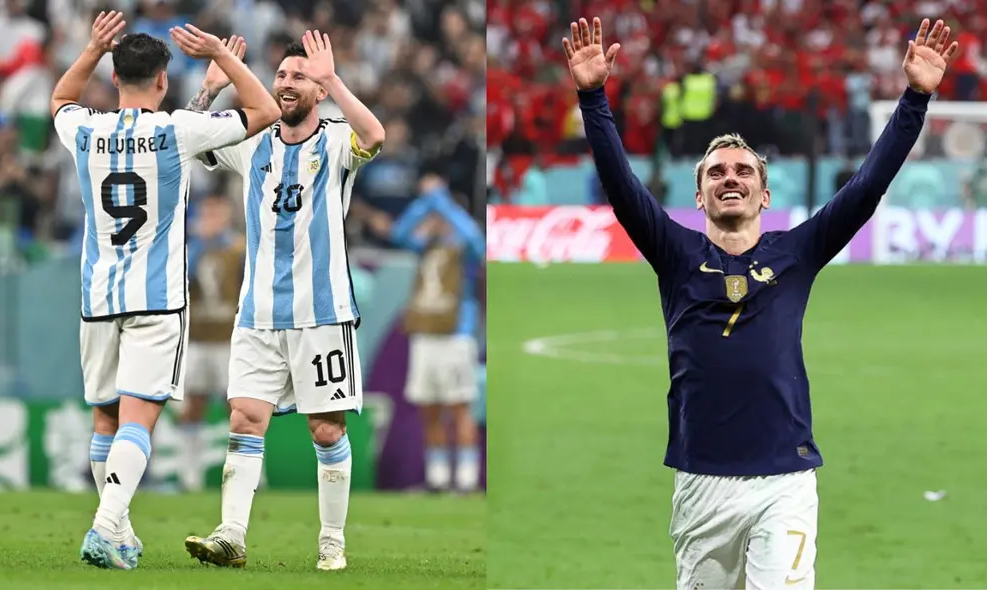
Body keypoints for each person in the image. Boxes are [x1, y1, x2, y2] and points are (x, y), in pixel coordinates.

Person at [562, 16, 957, 590]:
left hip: (785, 478)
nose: (731, 177)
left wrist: (916, 99)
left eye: (744, 171)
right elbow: (622, 188)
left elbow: (867, 187)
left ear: (764, 195)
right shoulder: (675, 253)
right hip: (701, 482)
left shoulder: (798, 251)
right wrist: (592, 96)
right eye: (717, 171)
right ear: (698, 195)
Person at [51, 12, 279, 569]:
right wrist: (222, 60)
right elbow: (265, 111)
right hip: (156, 301)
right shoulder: (177, 129)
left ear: (112, 79)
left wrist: (89, 49)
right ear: (161, 80)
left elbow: (59, 99)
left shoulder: (86, 129)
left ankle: (121, 532)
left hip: (98, 298)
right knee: (138, 419)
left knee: (106, 418)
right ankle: (106, 526)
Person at [180, 30, 385, 571]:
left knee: (326, 429)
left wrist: (333, 78)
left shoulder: (338, 140)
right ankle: (231, 534)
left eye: (299, 77)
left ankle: (332, 542)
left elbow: (376, 134)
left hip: (322, 314)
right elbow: (191, 140)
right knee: (245, 418)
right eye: (282, 76)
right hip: (258, 315)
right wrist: (210, 90)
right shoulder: (254, 140)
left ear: (316, 91)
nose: (286, 84)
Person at [371, 173, 485, 493]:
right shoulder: (425, 248)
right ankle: (437, 478)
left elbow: (473, 235)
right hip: (425, 335)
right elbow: (400, 232)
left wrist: (440, 199)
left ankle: (465, 479)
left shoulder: (467, 250)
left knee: (460, 407)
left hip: (455, 335)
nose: (434, 222)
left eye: (439, 217)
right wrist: (425, 204)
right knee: (429, 409)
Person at [178, 192, 245, 492]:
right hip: (198, 338)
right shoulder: (191, 249)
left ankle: (245, 471)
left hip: (230, 338)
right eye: (206, 214)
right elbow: (183, 277)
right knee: (193, 403)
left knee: (239, 406)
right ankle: (190, 472)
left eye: (217, 214)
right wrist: (201, 244)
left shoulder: (239, 249)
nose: (211, 220)